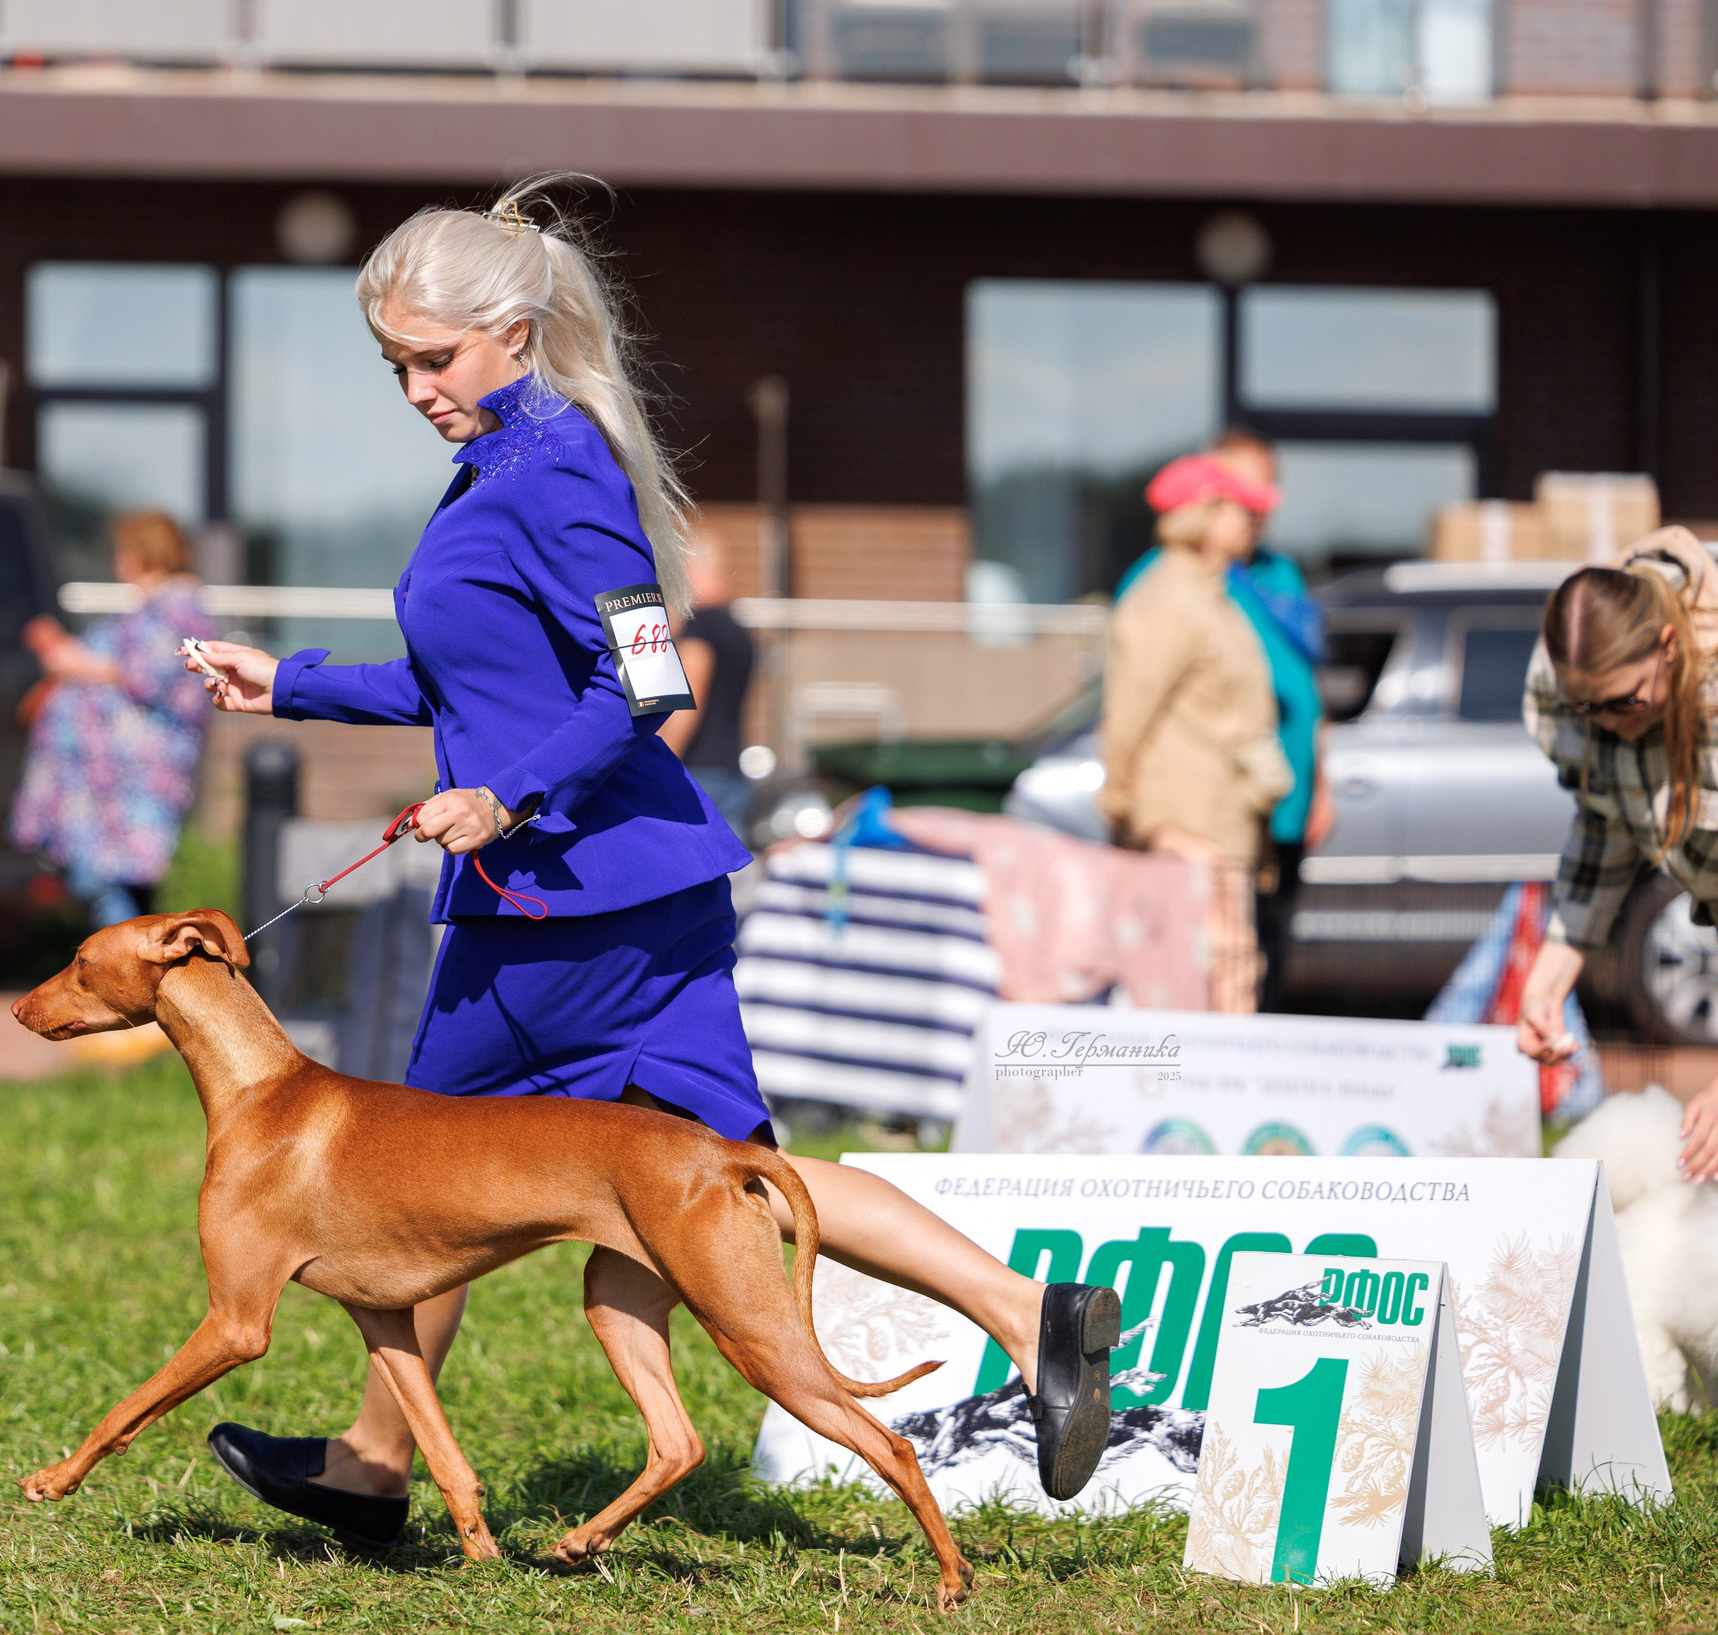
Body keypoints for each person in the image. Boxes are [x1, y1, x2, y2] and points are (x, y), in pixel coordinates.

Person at [185, 176, 1122, 1549]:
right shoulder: (508, 461)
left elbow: (646, 676)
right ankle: (1034, 1313)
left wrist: (505, 798)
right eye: (394, 366)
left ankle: (376, 1468)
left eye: (434, 358)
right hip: (636, 886)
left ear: (513, 327)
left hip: (568, 900)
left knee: (414, 1176)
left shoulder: (552, 467)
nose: (416, 389)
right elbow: (477, 680)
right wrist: (293, 685)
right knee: (741, 1170)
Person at [1516, 527, 1718, 1183]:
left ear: (1668, 648)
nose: (1605, 722)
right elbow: (1603, 829)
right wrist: (1546, 985)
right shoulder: (1565, 688)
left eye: (1624, 701)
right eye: (1587, 707)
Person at [1115, 430, 1334, 1012]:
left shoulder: (1230, 588)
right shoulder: (1166, 595)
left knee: (1239, 965)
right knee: (1207, 967)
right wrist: (1119, 800)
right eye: (1241, 507)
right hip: (1191, 817)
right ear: (1203, 515)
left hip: (1238, 815)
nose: (1253, 521)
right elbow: (1130, 710)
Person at [11, 511, 218, 930]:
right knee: (117, 883)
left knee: (116, 888)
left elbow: (146, 673)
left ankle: (124, 985)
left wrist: (78, 664)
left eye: (124, 552)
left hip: (130, 786)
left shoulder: (174, 611)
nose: (118, 563)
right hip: (113, 788)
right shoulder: (156, 610)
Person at [659, 524, 756, 840]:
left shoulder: (701, 627)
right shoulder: (739, 629)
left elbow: (685, 704)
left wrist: (658, 761)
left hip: (697, 775)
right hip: (730, 774)